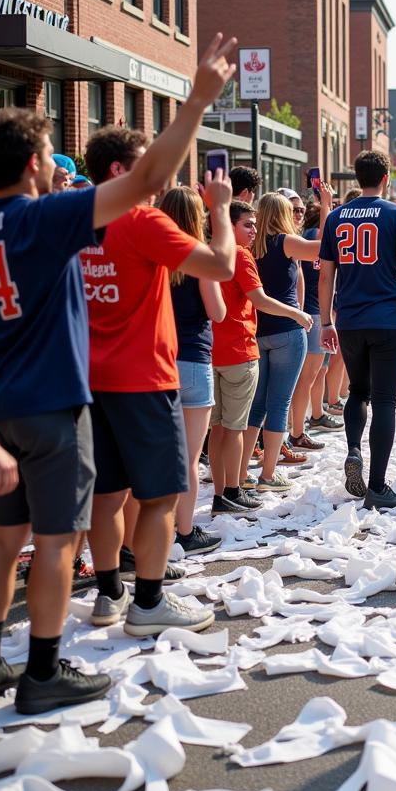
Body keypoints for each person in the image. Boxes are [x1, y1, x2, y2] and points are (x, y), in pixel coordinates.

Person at [0, 34, 237, 714]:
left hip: (41, 394)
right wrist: (198, 113)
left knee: (59, 516)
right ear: (38, 164)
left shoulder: (59, 222)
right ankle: (116, 621)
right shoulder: (71, 217)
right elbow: (200, 248)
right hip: (92, 390)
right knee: (119, 512)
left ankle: (95, 598)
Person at [81, 119, 238, 636]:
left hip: (87, 379)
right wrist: (218, 207)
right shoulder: (143, 220)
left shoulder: (70, 220)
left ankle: (108, 594)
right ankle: (148, 602)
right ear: (123, 170)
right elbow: (219, 266)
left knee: (105, 497)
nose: (161, 174)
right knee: (162, 496)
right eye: (150, 162)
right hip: (145, 378)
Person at [319, 150, 396, 509]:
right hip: (388, 317)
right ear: (386, 178)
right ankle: (377, 485)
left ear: (357, 178)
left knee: (358, 391)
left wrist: (327, 320)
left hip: (350, 319)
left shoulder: (337, 216)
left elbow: (326, 274)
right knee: (386, 401)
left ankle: (354, 450)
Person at [242, 191, 325, 491]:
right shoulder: (285, 242)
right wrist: (326, 208)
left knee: (257, 405)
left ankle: (241, 473)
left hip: (259, 331)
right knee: (279, 404)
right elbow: (322, 249)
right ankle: (268, 474)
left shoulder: (252, 247)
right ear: (283, 215)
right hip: (288, 331)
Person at [159, 186, 225, 557]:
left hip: (157, 360)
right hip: (195, 360)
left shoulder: (150, 255)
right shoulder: (198, 257)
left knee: (160, 454)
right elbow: (216, 312)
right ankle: (185, 531)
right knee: (188, 455)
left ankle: (153, 530)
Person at [289, 199, 342, 447]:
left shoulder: (297, 238)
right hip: (312, 311)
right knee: (307, 377)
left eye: (300, 210)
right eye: (294, 210)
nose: (297, 214)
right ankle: (296, 431)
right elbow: (323, 248)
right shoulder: (305, 239)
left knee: (315, 373)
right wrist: (326, 209)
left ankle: (308, 420)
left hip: (312, 310)